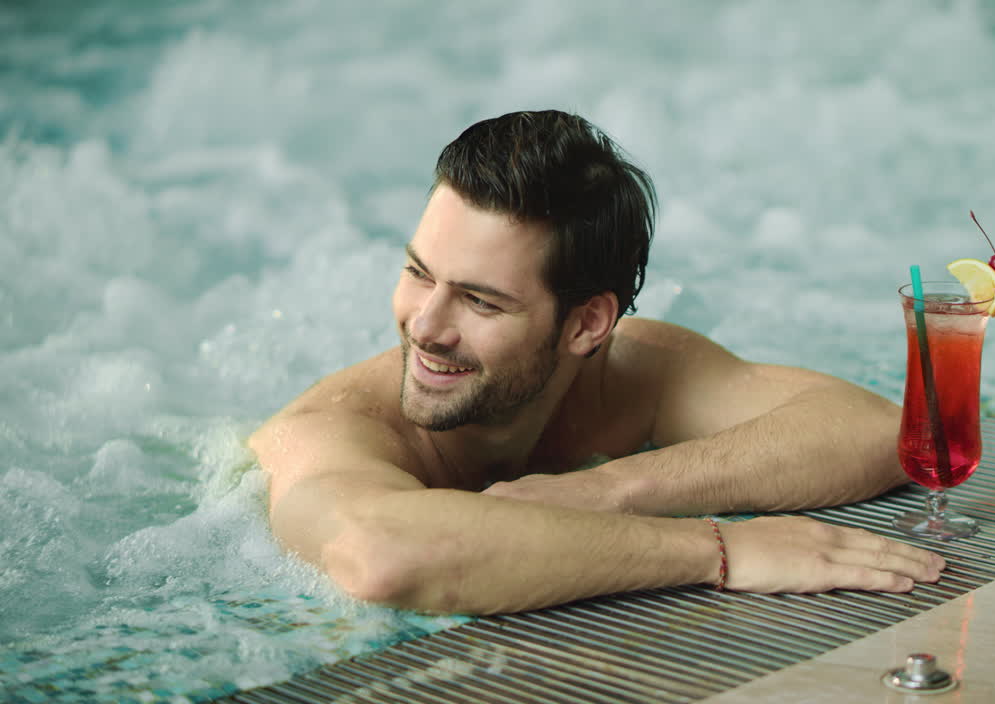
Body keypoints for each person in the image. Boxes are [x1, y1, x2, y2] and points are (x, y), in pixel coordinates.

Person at [249, 110, 943, 615]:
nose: (425, 326)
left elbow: (882, 430)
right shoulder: (329, 433)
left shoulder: (631, 375)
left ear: (587, 325)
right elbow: (381, 556)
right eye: (418, 273)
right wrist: (717, 551)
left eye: (480, 301)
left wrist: (607, 490)